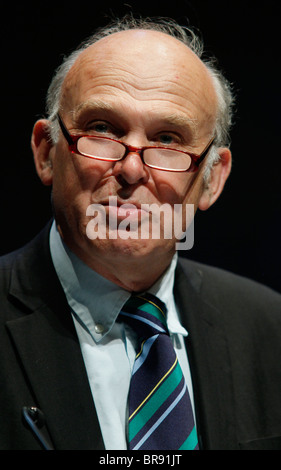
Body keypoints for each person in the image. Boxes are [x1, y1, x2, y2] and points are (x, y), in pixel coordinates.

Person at [1, 15, 281, 451]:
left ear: (212, 179)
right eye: (102, 129)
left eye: (168, 139)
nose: (132, 169)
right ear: (46, 152)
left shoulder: (269, 327)